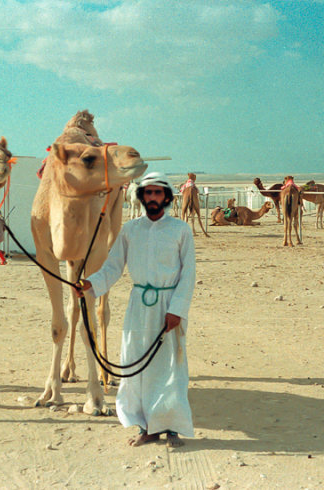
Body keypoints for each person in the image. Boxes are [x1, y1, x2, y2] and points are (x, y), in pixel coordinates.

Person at [75, 172, 196, 448]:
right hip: (138, 306)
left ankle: (171, 426)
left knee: (169, 368)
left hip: (169, 306)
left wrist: (177, 310)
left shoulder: (181, 230)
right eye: (148, 193)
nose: (153, 197)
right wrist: (89, 284)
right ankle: (146, 426)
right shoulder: (130, 230)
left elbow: (188, 274)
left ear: (166, 196)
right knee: (137, 364)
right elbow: (113, 267)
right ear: (142, 197)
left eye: (158, 193)